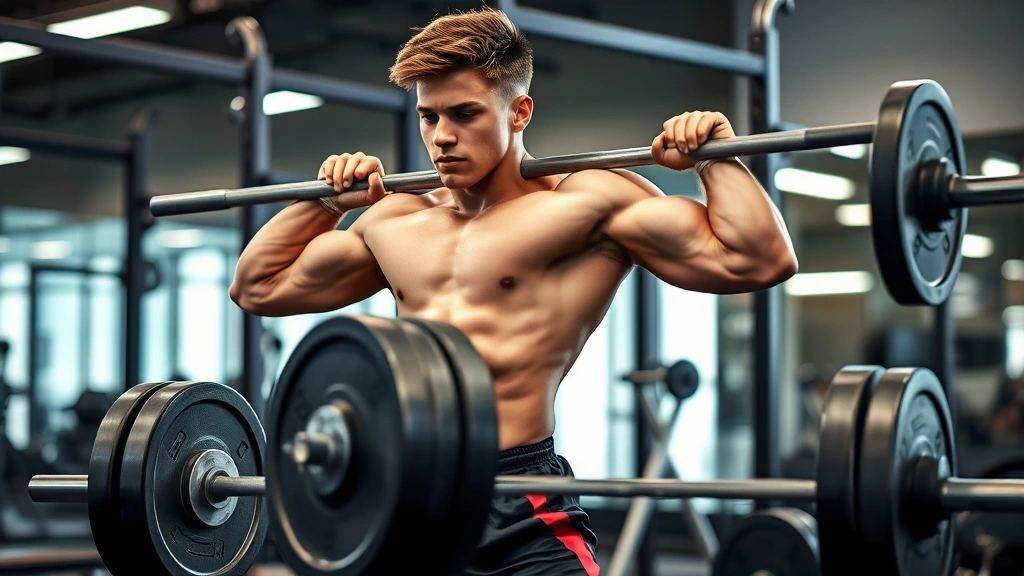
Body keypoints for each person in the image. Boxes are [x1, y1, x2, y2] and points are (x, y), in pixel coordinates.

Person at [230, 7, 797, 575]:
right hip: (410, 488)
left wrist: (716, 160)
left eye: (464, 114)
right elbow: (257, 285)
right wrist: (323, 202)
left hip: (520, 496)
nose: (441, 137)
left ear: (519, 110)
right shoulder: (395, 221)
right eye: (428, 117)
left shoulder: (586, 203)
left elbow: (759, 259)